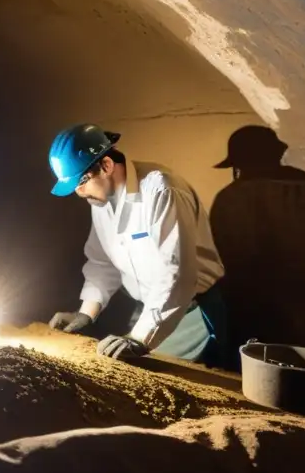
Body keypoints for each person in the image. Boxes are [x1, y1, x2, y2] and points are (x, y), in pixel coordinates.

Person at [45, 123, 233, 368]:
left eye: (81, 183)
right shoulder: (102, 201)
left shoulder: (161, 191)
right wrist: (86, 313)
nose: (79, 193)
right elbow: (102, 262)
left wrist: (139, 338)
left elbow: (176, 276)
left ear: (106, 166)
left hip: (190, 315)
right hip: (150, 310)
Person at [210, 125, 305, 349]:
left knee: (254, 370)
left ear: (240, 162)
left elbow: (231, 255)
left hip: (256, 307)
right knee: (301, 367)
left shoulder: (232, 197)